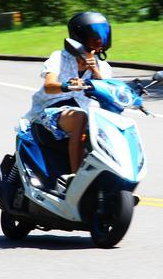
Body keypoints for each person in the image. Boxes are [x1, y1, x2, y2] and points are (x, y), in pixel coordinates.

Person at [23, 11, 113, 181]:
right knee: (79, 117)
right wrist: (66, 86)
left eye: (102, 36)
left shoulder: (103, 66)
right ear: (81, 37)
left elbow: (108, 91)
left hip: (82, 113)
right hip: (49, 112)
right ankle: (76, 177)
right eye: (94, 37)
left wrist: (94, 70)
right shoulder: (59, 57)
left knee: (109, 127)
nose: (99, 41)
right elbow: (49, 86)